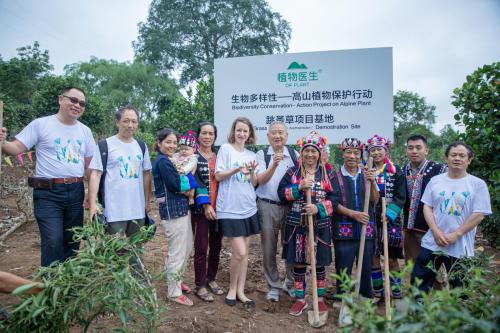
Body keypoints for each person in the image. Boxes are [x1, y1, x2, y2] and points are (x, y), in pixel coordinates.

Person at [0, 87, 94, 267]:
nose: (77, 105)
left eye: (81, 103)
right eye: (73, 100)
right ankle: (50, 287)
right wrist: (3, 142)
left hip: (75, 191)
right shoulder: (41, 124)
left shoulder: (85, 131)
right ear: (60, 99)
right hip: (48, 192)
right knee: (53, 240)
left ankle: (67, 286)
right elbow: (16, 148)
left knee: (73, 240)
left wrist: (90, 196)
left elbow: (90, 167)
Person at [411, 142, 491, 293]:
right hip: (432, 242)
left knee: (460, 289)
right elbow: (427, 206)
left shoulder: (477, 184)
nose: (457, 158)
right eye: (453, 155)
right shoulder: (436, 181)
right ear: (446, 158)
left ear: (469, 160)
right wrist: (435, 231)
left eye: (462, 155)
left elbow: (479, 214)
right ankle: (417, 314)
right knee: (419, 285)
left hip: (460, 246)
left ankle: (457, 316)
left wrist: (457, 234)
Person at [87, 106, 152, 274]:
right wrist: (93, 204)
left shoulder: (141, 146)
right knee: (114, 249)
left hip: (137, 209)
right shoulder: (105, 145)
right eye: (126, 121)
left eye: (134, 121)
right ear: (117, 122)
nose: (130, 125)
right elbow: (95, 174)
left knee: (136, 248)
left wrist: (147, 201)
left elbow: (146, 174)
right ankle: (115, 286)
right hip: (114, 209)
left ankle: (138, 282)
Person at [278, 130, 335, 316]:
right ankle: (300, 299)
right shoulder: (292, 172)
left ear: (320, 153)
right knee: (299, 264)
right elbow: (281, 193)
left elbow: (336, 198)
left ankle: (318, 299)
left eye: (314, 151)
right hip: (296, 225)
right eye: (306, 151)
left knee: (319, 264)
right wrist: (298, 187)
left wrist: (319, 208)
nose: (310, 154)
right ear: (301, 153)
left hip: (319, 226)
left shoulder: (328, 173)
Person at [215, 117, 260, 307]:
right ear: (233, 131)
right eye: (239, 130)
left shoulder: (252, 154)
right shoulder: (225, 149)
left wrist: (250, 172)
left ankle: (241, 290)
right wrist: (236, 169)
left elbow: (255, 182)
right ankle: (232, 289)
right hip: (229, 208)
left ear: (250, 134)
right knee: (239, 252)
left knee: (245, 253)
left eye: (245, 131)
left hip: (248, 207)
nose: (242, 134)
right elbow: (218, 175)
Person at [152, 128, 196, 306]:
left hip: (180, 209)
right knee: (177, 251)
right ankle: (174, 292)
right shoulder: (163, 162)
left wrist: (187, 188)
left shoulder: (168, 160)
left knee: (186, 247)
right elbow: (176, 184)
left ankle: (176, 280)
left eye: (174, 143)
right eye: (168, 142)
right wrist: (188, 189)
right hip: (172, 211)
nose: (172, 146)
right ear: (159, 142)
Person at [255, 121, 298, 302]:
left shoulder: (295, 155)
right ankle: (273, 286)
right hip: (267, 206)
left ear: (287, 136)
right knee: (268, 248)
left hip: (290, 207)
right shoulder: (262, 155)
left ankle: (290, 283)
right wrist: (273, 164)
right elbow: (259, 180)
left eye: (281, 132)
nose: (277, 136)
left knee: (292, 247)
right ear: (268, 137)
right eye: (274, 133)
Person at [331, 138, 378, 299]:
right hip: (343, 229)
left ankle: (364, 295)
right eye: (349, 152)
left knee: (366, 264)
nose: (352, 156)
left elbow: (374, 199)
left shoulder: (367, 174)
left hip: (366, 227)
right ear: (342, 154)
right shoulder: (335, 176)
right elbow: (333, 203)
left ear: (361, 155)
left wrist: (372, 182)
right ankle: (343, 296)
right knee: (343, 264)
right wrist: (353, 214)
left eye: (356, 153)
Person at [366, 134, 406, 300]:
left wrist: (389, 213)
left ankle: (395, 293)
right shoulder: (367, 171)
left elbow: (401, 196)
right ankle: (378, 292)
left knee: (391, 258)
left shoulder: (396, 171)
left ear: (386, 150)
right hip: (371, 217)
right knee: (374, 256)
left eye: (379, 150)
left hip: (391, 219)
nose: (376, 153)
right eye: (373, 150)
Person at [191, 122, 224, 302]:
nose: (207, 136)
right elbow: (196, 182)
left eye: (211, 133)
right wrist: (205, 205)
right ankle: (200, 284)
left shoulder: (219, 156)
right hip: (200, 209)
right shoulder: (193, 157)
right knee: (201, 247)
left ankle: (211, 278)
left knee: (216, 246)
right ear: (198, 135)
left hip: (220, 208)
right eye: (204, 133)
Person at [403, 135, 447, 264]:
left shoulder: (439, 170)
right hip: (410, 230)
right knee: (412, 267)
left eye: (418, 147)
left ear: (426, 150)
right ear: (407, 151)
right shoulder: (402, 171)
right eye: (410, 148)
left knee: (435, 269)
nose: (414, 151)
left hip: (434, 230)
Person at [172, 130, 198, 206]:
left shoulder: (193, 157)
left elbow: (190, 165)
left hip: (187, 173)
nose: (183, 151)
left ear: (193, 150)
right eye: (182, 149)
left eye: (186, 149)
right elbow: (172, 159)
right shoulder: (177, 155)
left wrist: (183, 170)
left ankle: (191, 197)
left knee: (192, 183)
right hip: (178, 173)